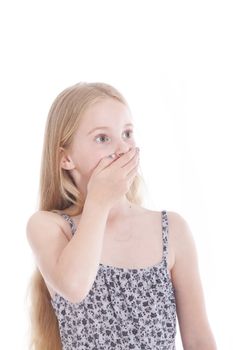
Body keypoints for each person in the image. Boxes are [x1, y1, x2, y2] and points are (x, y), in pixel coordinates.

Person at [26, 82, 217, 350]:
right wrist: (99, 203)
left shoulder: (172, 229)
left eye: (127, 133)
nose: (124, 148)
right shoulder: (49, 226)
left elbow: (199, 340)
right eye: (103, 138)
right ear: (65, 158)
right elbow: (74, 287)